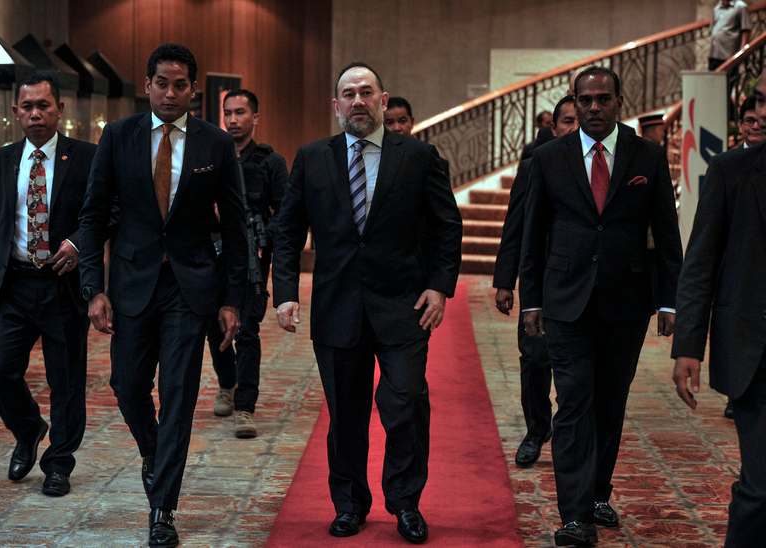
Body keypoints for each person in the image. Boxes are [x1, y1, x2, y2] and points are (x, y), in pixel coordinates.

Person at [272, 62, 462, 543]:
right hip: (337, 309)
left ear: (383, 99)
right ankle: (350, 504)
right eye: (348, 94)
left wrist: (439, 287)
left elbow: (446, 226)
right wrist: (286, 293)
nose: (357, 101)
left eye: (366, 92)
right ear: (335, 105)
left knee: (407, 404)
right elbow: (289, 231)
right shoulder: (313, 158)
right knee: (346, 416)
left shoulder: (418, 156)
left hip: (403, 306)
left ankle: (405, 503)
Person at [78, 43, 247, 547]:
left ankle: (162, 509)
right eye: (161, 83)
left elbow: (237, 229)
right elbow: (92, 216)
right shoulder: (119, 137)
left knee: (178, 396)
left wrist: (232, 299)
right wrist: (94, 288)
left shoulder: (214, 144)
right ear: (147, 85)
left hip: (190, 288)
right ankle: (153, 451)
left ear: (194, 90)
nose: (170, 93)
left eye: (180, 85)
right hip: (130, 285)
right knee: (126, 384)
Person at [520, 66, 682, 546]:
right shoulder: (549, 158)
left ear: (618, 101)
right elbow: (534, 234)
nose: (593, 107)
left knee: (610, 403)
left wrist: (670, 300)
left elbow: (666, 235)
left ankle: (596, 493)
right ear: (574, 101)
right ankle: (574, 515)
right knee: (572, 403)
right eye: (585, 100)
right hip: (565, 301)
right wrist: (532, 299)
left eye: (602, 99)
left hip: (627, 302)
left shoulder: (647, 156)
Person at [0, 72, 95, 498]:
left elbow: (102, 216)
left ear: (60, 109)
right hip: (14, 284)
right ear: (15, 112)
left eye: (44, 105)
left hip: (63, 284)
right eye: (28, 107)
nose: (36, 114)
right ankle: (28, 428)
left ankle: (59, 463)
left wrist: (79, 244)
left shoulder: (87, 158)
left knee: (66, 381)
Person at [672, 68, 766, 548]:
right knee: (761, 487)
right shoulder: (731, 171)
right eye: (760, 100)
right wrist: (689, 343)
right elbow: (700, 262)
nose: (764, 112)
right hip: (756, 351)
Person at [493, 94, 578, 469]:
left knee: (577, 368)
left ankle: (569, 436)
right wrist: (504, 280)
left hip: (583, 284)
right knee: (535, 362)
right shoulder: (534, 167)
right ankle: (535, 430)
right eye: (566, 121)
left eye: (578, 121)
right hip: (539, 282)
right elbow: (516, 226)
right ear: (553, 127)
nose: (573, 128)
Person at [208, 88, 288, 439]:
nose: (234, 120)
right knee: (214, 327)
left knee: (248, 331)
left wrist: (260, 238)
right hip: (212, 254)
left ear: (255, 117)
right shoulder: (211, 156)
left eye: (241, 113)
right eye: (228, 113)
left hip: (254, 261)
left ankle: (245, 406)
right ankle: (227, 382)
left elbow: (285, 214)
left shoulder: (270, 162)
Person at [708, 1, 751, 71]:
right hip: (714, 53)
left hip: (729, 54)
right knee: (713, 79)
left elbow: (746, 29)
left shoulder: (741, 6)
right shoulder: (717, 8)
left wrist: (742, 51)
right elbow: (713, 28)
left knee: (729, 79)